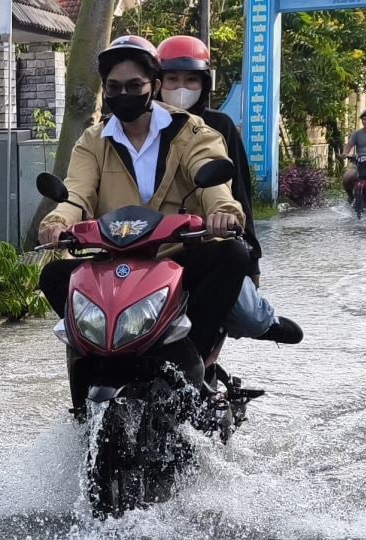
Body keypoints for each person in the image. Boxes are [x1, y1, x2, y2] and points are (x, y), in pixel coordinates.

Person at [37, 35, 250, 378]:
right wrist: (58, 219)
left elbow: (210, 175)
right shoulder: (93, 140)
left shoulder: (191, 131)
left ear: (154, 85)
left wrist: (223, 212)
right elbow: (77, 191)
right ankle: (90, 357)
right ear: (105, 90)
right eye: (114, 87)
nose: (124, 94)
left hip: (178, 253)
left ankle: (189, 357)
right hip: (116, 260)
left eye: (134, 85)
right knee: (54, 276)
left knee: (232, 256)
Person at [156, 34, 302, 350]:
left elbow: (238, 194)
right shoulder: (142, 126)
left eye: (191, 80)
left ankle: (259, 325)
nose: (181, 87)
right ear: (157, 82)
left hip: (208, 242)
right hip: (151, 246)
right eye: (172, 78)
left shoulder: (218, 126)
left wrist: (252, 262)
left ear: (204, 84)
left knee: (249, 316)